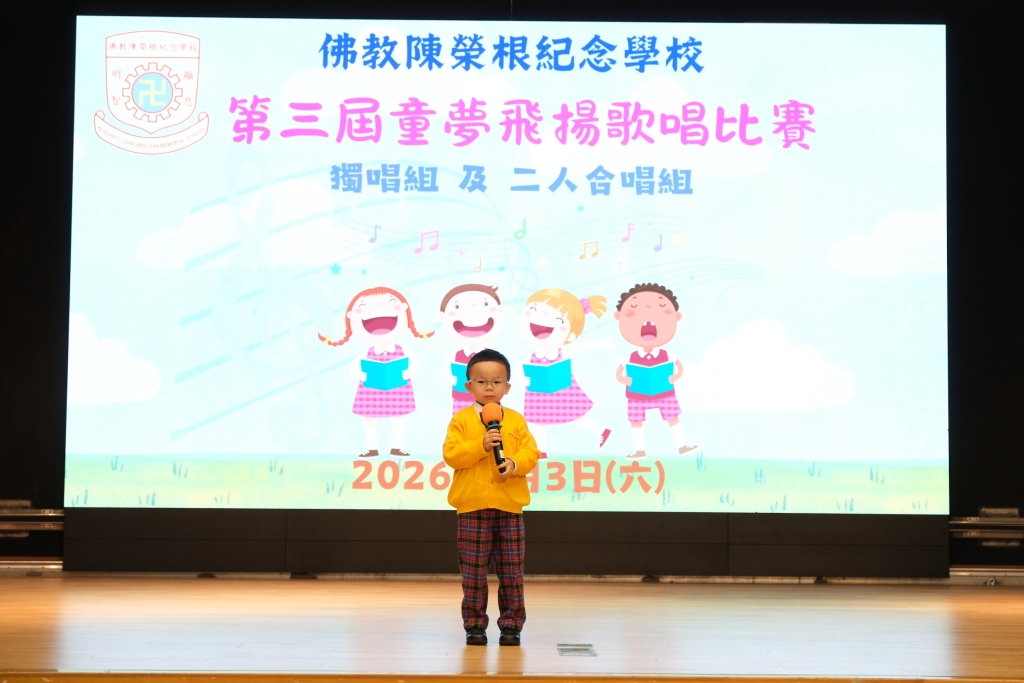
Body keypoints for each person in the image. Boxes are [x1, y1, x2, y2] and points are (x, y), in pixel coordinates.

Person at [442, 349, 540, 647]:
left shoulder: (516, 420)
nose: (489, 388)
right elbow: (452, 455)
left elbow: (531, 453)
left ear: (507, 387)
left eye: (497, 382)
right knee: (473, 572)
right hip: (472, 508)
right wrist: (480, 444)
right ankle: (475, 626)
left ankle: (511, 626)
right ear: (468, 386)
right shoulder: (461, 420)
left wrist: (514, 463)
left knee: (512, 572)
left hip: (509, 507)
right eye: (481, 381)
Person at [318, 286, 433, 457]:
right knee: (369, 419)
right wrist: (361, 375)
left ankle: (396, 447)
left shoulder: (403, 350)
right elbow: (354, 369)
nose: (378, 307)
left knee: (400, 418)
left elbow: (414, 364)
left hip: (398, 387)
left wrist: (408, 373)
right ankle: (372, 449)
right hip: (370, 388)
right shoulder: (367, 352)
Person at [519, 288, 612, 458]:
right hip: (538, 392)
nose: (542, 319)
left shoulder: (562, 351)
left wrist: (602, 344)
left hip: (562, 390)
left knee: (576, 417)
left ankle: (602, 431)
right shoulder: (531, 356)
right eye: (534, 310)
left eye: (557, 320)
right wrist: (525, 380)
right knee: (539, 422)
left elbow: (583, 347)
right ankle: (542, 452)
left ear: (569, 336)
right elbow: (520, 372)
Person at [613, 283, 697, 458]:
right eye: (633, 312)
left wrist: (675, 376)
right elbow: (619, 373)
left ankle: (682, 446)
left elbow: (679, 367)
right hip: (636, 393)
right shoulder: (630, 357)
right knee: (636, 421)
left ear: (676, 317)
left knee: (673, 418)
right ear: (618, 317)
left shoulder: (667, 355)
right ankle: (640, 450)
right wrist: (624, 380)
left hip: (664, 391)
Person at [438, 284, 505, 415]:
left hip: (486, 401)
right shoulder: (455, 357)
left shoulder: (492, 357)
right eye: (457, 307)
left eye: (485, 304)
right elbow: (445, 374)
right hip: (461, 399)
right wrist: (451, 379)